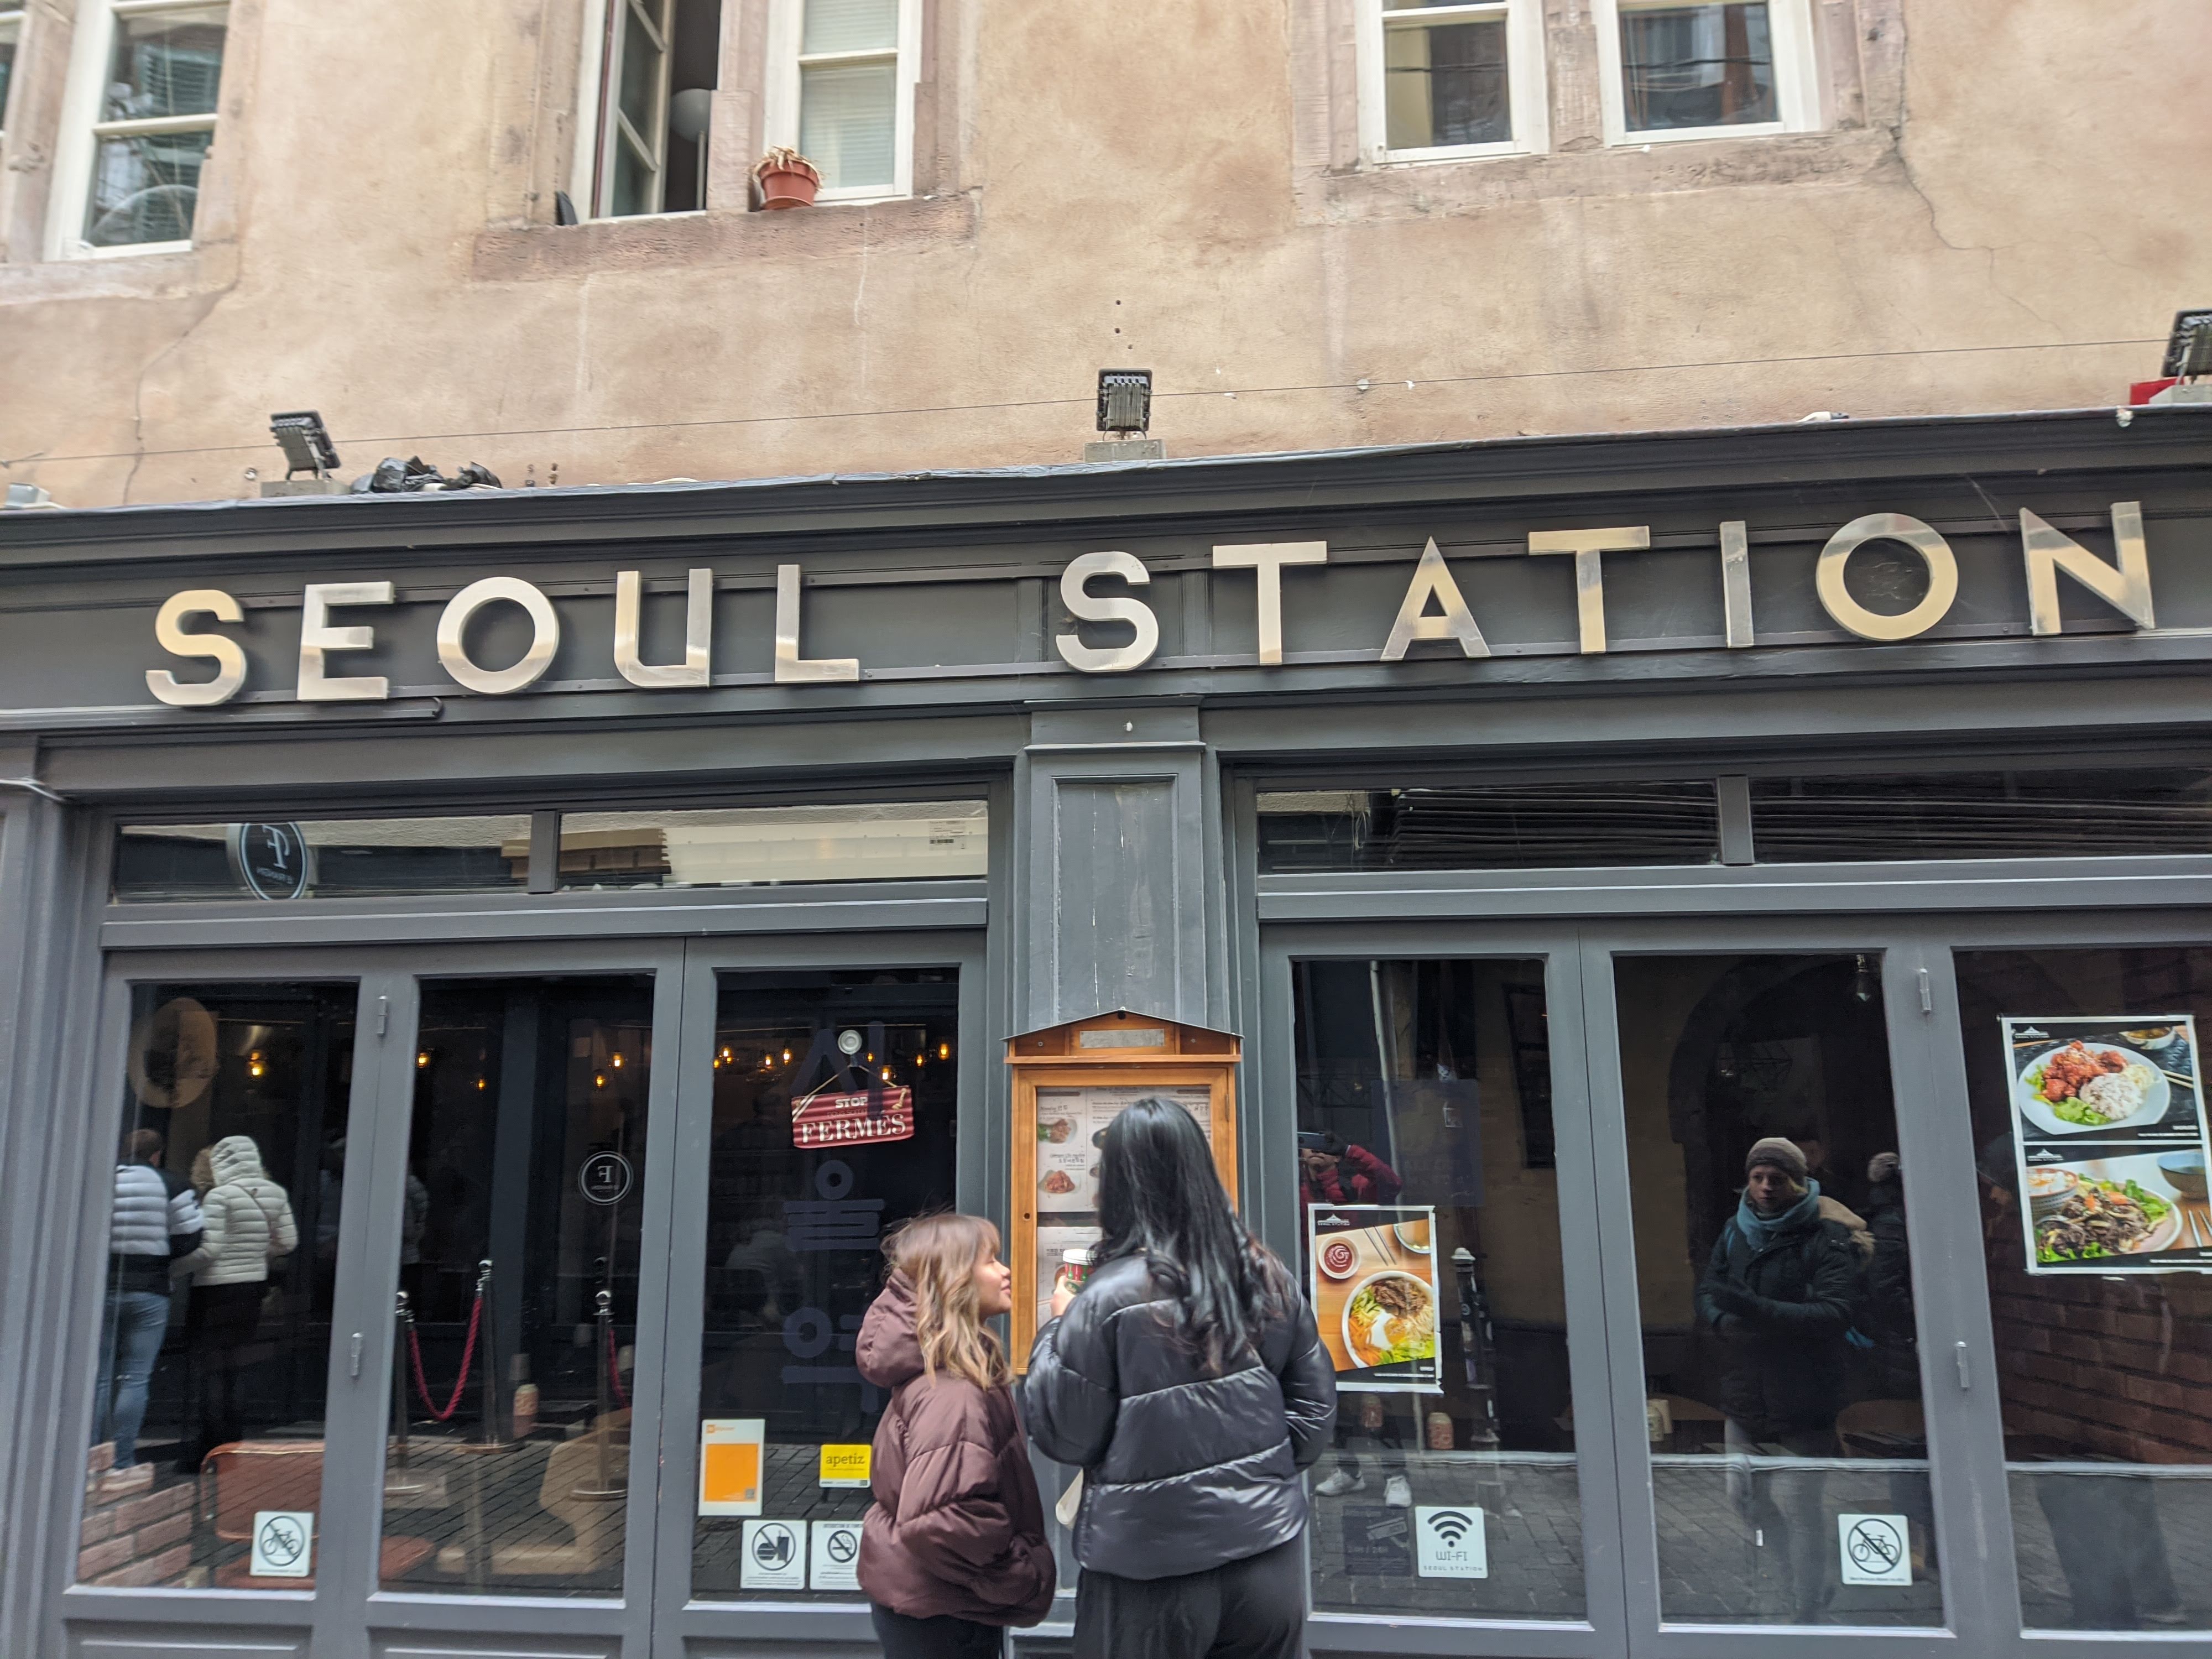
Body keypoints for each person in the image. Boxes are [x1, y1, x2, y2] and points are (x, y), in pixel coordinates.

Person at [1023, 1098, 1335, 1659]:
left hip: (1147, 1575)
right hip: (1267, 1562)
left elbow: (1066, 1436)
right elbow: (1312, 1422)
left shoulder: (1104, 1299)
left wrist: (1055, 1325)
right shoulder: (1267, 1275)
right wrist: (1249, 1477)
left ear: (1116, 1185)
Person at [855, 1211, 1055, 1659]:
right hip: (945, 1617)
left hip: (934, 1604)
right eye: (991, 1260)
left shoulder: (947, 1375)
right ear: (956, 1282)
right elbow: (942, 1519)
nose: (1005, 1271)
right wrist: (1017, 1575)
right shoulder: (953, 1393)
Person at [1697, 1136, 1860, 1624]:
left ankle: (1806, 1607)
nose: (1766, 1187)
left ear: (1799, 1183)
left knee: (1802, 1506)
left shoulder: (1827, 1236)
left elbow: (1836, 1312)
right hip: (1746, 1389)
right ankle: (1792, 1576)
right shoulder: (1736, 1230)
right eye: (1758, 1177)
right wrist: (1722, 1322)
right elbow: (1709, 1290)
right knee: (1743, 1497)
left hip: (1806, 1393)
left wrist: (1755, 1310)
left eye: (1778, 1179)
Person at [174, 1134, 296, 1469]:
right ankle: (233, 1443)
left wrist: (173, 1269)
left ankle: (210, 1446)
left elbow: (209, 1251)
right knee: (236, 1367)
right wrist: (256, 1256)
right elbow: (287, 1242)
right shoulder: (275, 1193)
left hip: (214, 1291)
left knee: (211, 1370)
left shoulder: (219, 1196)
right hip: (251, 1291)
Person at [92, 1129, 202, 1484]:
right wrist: (164, 1253)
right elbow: (191, 1236)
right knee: (135, 1377)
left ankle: (91, 1458)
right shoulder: (173, 1183)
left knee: (100, 1377)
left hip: (104, 1288)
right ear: (157, 1155)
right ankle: (123, 1461)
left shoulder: (103, 1179)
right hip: (150, 1290)